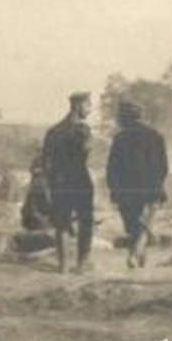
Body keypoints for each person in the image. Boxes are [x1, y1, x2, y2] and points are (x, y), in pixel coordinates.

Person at [105, 100, 169, 269]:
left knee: (134, 227)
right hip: (150, 190)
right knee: (144, 225)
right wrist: (157, 185)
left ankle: (134, 258)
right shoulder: (156, 136)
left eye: (120, 117)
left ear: (126, 118)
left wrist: (114, 189)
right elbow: (163, 166)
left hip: (126, 192)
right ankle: (139, 262)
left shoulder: (119, 139)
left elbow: (112, 167)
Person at [41, 91, 96, 273]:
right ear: (77, 105)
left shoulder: (53, 131)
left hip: (59, 181)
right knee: (86, 221)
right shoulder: (83, 130)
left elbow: (45, 161)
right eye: (88, 105)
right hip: (79, 179)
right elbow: (85, 151)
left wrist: (51, 181)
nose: (90, 109)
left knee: (62, 223)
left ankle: (62, 265)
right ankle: (81, 264)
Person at [20, 157, 52, 232]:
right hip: (36, 182)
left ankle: (46, 221)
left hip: (45, 183)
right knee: (31, 200)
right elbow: (31, 169)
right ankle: (30, 221)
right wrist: (36, 171)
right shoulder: (36, 160)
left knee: (45, 198)